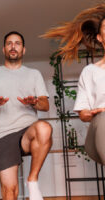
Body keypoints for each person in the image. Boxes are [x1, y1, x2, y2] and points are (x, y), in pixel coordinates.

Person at [0, 31, 52, 200]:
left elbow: (45, 105)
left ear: (23, 50)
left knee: (44, 128)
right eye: (9, 43)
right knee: (10, 191)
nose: (13, 46)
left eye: (17, 43)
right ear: (4, 49)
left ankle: (32, 181)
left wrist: (33, 102)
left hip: (28, 132)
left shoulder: (34, 74)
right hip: (2, 135)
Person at [42, 4, 105, 165]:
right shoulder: (90, 71)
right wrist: (91, 113)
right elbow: (83, 113)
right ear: (99, 37)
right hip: (100, 129)